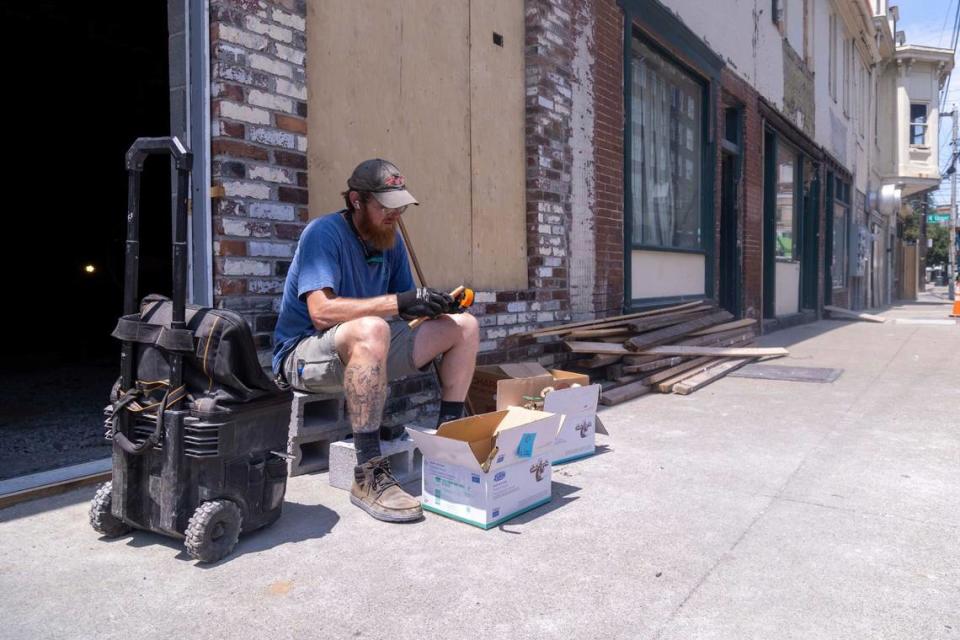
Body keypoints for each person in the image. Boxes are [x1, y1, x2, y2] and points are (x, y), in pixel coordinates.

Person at [272, 159, 479, 523]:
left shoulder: (390, 240)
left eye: (399, 206)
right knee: (372, 327)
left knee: (463, 325)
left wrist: (432, 306)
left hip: (365, 347)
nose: (395, 214)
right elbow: (320, 312)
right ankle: (367, 472)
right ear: (356, 200)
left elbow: (399, 310)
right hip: (305, 355)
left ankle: (449, 444)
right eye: (385, 206)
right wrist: (399, 302)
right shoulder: (324, 234)